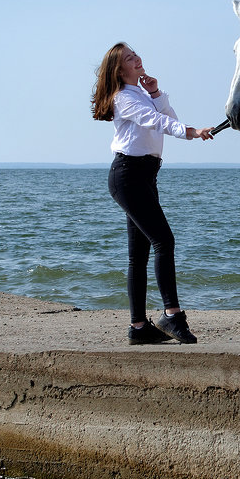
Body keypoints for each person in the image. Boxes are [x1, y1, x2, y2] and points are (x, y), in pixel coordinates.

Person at [91, 42, 215, 345]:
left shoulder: (142, 95)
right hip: (128, 176)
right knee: (163, 240)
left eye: (136, 55)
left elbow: (167, 114)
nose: (137, 59)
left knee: (139, 254)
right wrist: (192, 131)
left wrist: (157, 93)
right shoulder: (123, 98)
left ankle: (138, 328)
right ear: (119, 70)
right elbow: (158, 122)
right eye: (130, 59)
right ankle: (172, 316)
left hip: (143, 176)